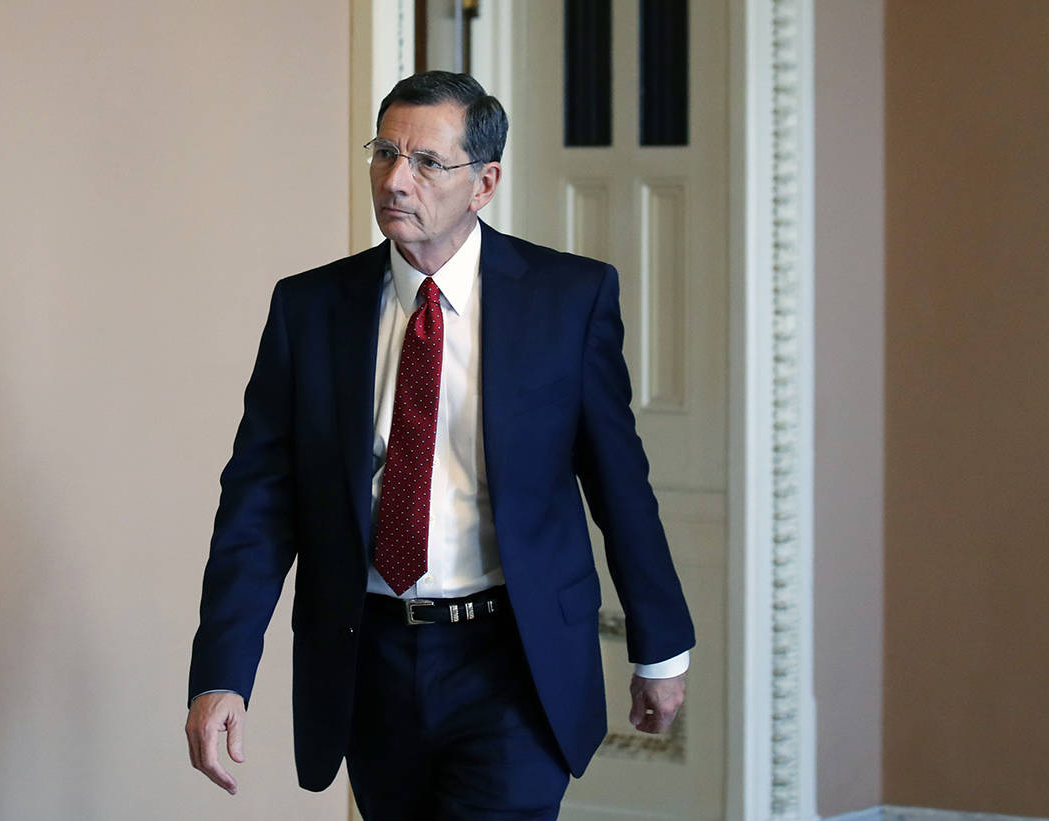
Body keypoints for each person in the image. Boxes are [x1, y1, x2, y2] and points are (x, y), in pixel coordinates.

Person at [185, 71, 694, 820]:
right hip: (371, 659)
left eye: (427, 162)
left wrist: (659, 647)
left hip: (511, 660)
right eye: (385, 153)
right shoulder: (310, 309)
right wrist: (222, 672)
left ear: (483, 182)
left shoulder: (566, 301)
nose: (396, 179)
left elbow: (620, 485)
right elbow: (260, 504)